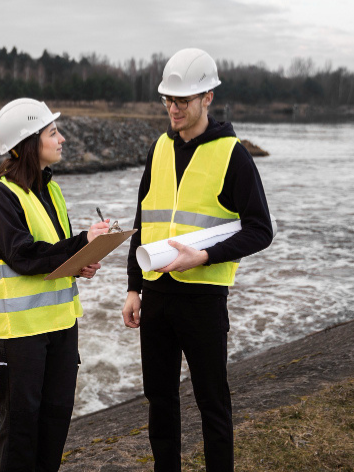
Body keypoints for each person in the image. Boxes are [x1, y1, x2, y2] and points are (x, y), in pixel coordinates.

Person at [120, 48, 274, 471]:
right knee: (160, 400)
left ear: (207, 97)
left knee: (212, 402)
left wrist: (205, 256)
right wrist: (133, 287)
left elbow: (261, 229)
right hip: (155, 296)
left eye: (182, 101)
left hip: (203, 300)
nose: (173, 109)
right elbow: (142, 220)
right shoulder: (158, 149)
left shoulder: (232, 154)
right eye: (168, 100)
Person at [0, 98, 110, 471]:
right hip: (20, 336)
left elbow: (54, 256)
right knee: (21, 435)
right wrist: (80, 243)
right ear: (29, 142)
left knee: (54, 426)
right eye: (53, 132)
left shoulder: (51, 189)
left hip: (62, 329)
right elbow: (24, 255)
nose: (62, 138)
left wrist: (81, 262)